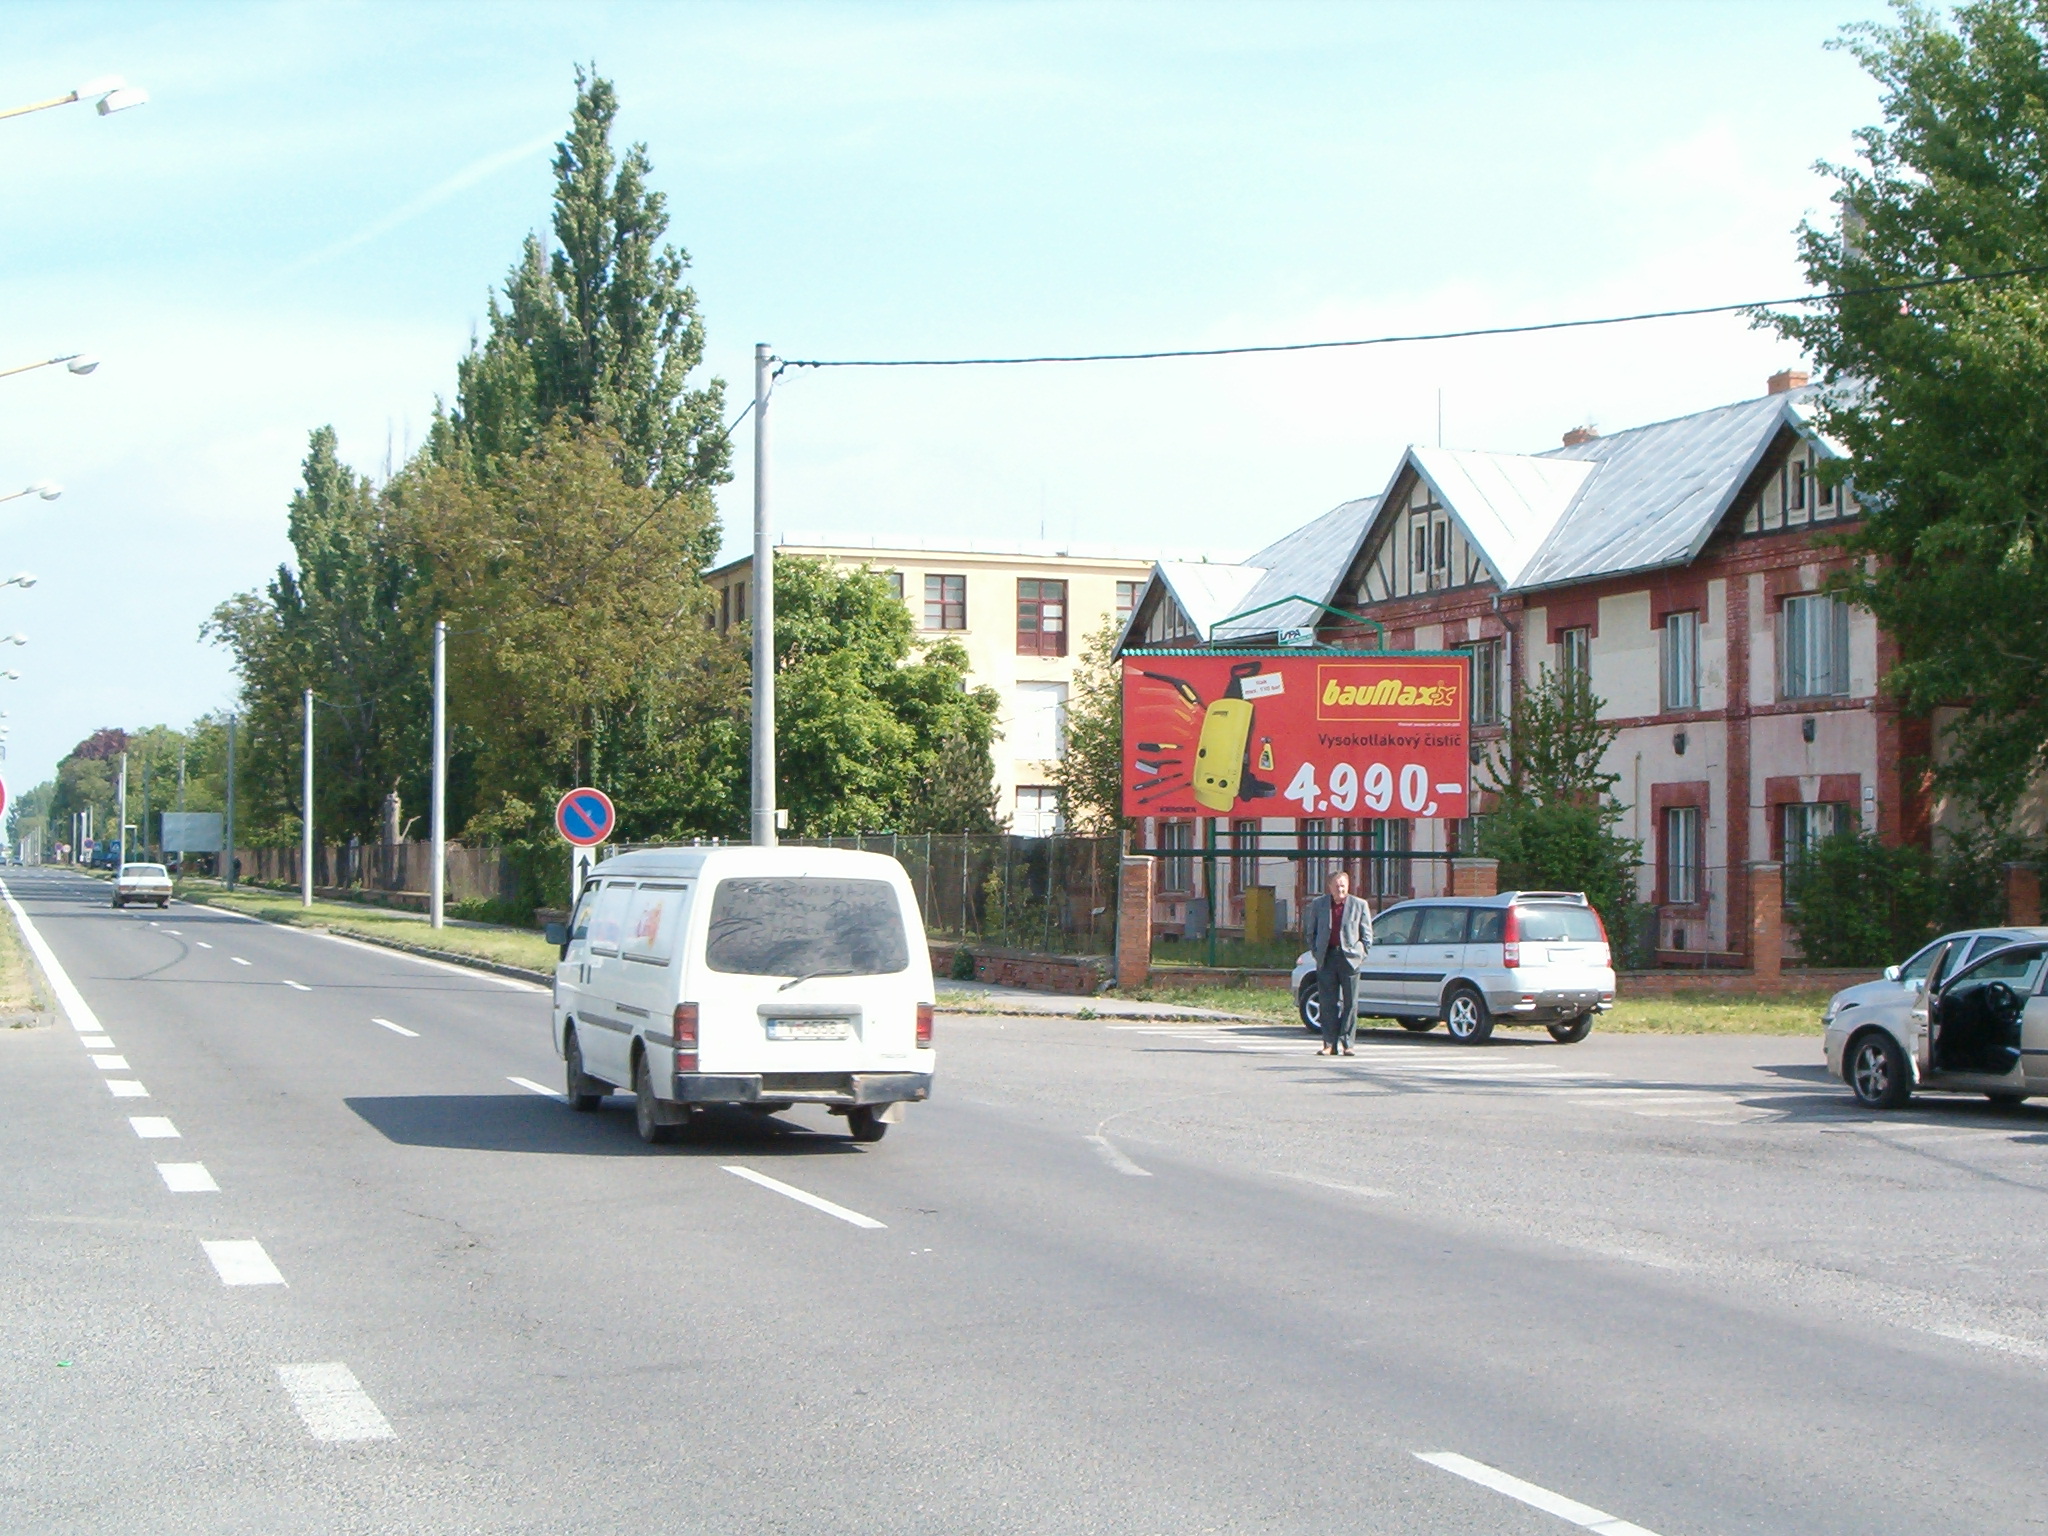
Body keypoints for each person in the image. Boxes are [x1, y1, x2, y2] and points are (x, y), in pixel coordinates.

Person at [1304, 868, 1372, 1056]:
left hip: (1349, 960)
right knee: (1327, 1002)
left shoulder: (1360, 905)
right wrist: (1317, 954)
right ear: (1329, 887)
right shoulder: (1319, 905)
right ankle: (1329, 1043)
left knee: (1350, 1003)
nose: (1340, 889)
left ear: (1348, 886)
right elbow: (1311, 933)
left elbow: (1367, 936)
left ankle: (1347, 1043)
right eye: (1336, 886)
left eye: (1343, 885)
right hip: (1327, 958)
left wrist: (1360, 955)